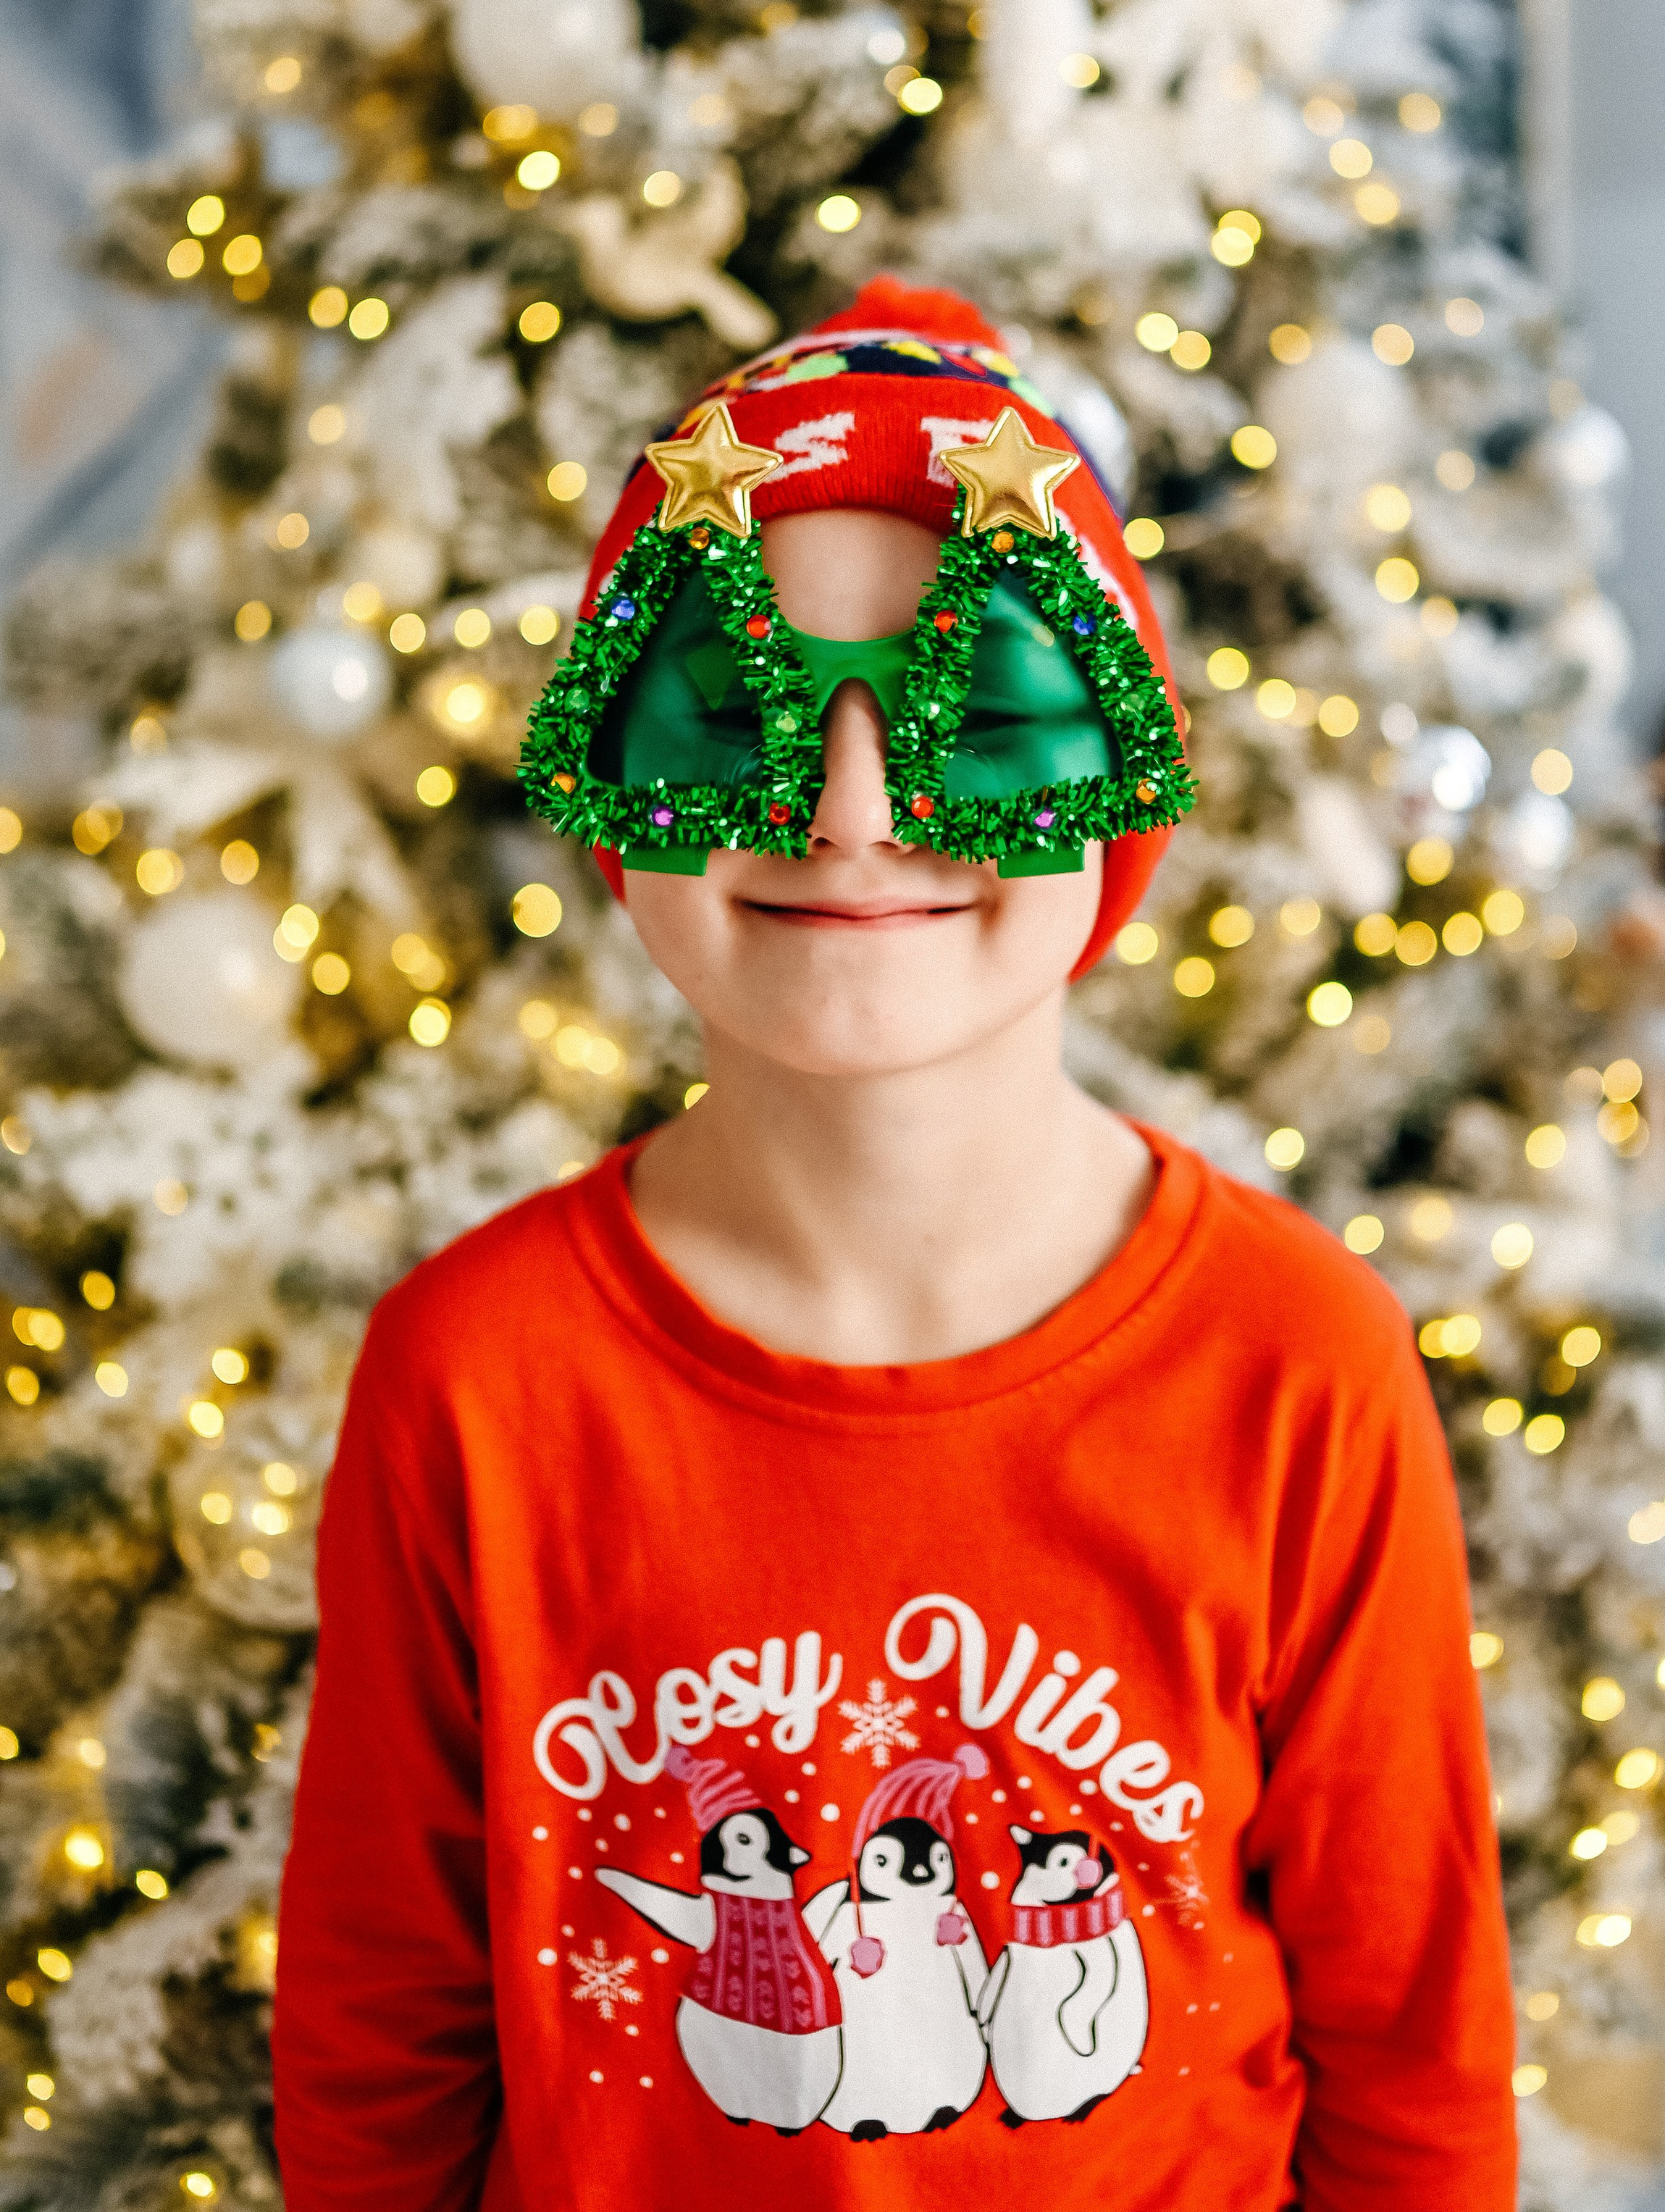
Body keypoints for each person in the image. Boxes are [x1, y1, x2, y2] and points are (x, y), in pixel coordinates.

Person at [273, 281, 1517, 2208]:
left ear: (1114, 784)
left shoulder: (1304, 1367)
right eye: (736, 711)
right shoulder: (474, 1374)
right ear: (618, 769)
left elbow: (1417, 2063)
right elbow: (379, 2031)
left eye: (977, 721)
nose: (852, 814)